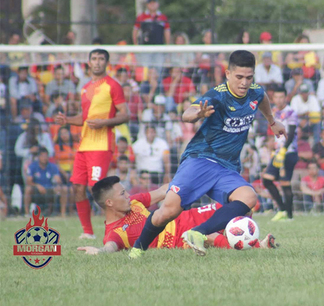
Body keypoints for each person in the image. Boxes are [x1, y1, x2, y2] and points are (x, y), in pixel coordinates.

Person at [129, 50, 286, 258]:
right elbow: (187, 113)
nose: (244, 83)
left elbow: (262, 98)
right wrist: (198, 114)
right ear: (228, 74)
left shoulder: (255, 91)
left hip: (226, 167)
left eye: (249, 77)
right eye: (239, 77)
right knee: (168, 211)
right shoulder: (217, 95)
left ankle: (198, 233)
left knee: (249, 198)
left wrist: (272, 122)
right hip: (200, 160)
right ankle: (138, 250)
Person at [77, 177, 276, 254]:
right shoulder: (114, 233)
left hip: (187, 216)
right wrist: (99, 252)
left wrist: (187, 177)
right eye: (122, 193)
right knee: (208, 236)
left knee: (242, 206)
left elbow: (164, 190)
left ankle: (237, 234)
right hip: (179, 237)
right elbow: (109, 246)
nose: (128, 195)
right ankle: (260, 245)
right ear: (109, 203)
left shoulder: (135, 201)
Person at [55, 49, 129, 239]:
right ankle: (88, 232)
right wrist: (68, 120)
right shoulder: (85, 87)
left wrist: (104, 122)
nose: (97, 62)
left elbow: (125, 114)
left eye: (101, 59)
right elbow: (86, 118)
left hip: (101, 145)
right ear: (88, 62)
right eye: (94, 59)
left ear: (106, 62)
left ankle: (123, 225)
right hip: (84, 145)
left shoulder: (113, 85)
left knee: (96, 188)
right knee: (78, 188)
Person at [261, 88, 299, 222]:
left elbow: (292, 133)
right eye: (276, 97)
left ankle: (288, 215)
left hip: (288, 153)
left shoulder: (291, 112)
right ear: (273, 99)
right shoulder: (275, 113)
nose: (279, 100)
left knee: (284, 183)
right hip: (278, 153)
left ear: (285, 98)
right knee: (267, 179)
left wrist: (283, 150)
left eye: (281, 97)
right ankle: (283, 210)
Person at [24, 147, 66, 217]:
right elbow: (28, 181)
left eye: (46, 156)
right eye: (42, 156)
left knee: (64, 189)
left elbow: (58, 180)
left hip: (50, 190)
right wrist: (37, 186)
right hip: (37, 191)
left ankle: (63, 213)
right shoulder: (32, 166)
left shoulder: (53, 166)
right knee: (28, 189)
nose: (44, 158)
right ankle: (27, 213)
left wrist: (57, 181)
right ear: (38, 157)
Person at [132, 0, 171, 70]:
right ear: (147, 5)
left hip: (159, 47)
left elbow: (167, 32)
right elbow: (135, 31)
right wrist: (135, 44)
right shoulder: (141, 17)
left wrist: (167, 45)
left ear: (158, 4)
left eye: (154, 3)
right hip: (145, 48)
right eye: (150, 3)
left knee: (158, 68)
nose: (152, 5)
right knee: (146, 69)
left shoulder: (163, 17)